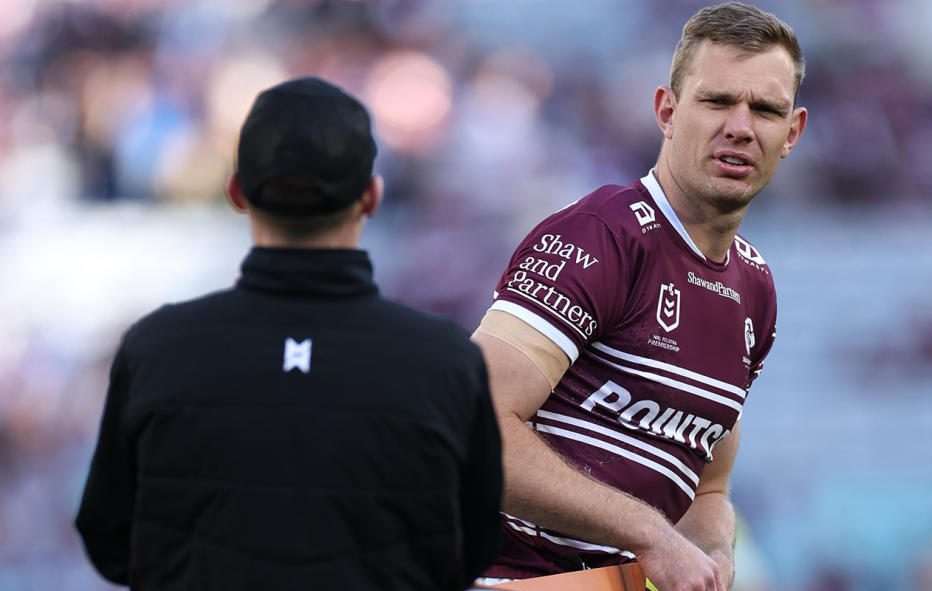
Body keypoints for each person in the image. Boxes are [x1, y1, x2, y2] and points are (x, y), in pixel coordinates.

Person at [75, 76, 502, 591]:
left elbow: (108, 538)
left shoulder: (156, 347)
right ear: (371, 196)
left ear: (236, 191)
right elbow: (474, 547)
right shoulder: (447, 361)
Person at [471, 3, 807, 590]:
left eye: (765, 109)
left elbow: (708, 486)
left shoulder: (755, 288)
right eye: (717, 101)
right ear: (667, 111)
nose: (741, 126)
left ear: (792, 133)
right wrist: (651, 535)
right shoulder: (601, 235)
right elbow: (472, 424)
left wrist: (713, 556)